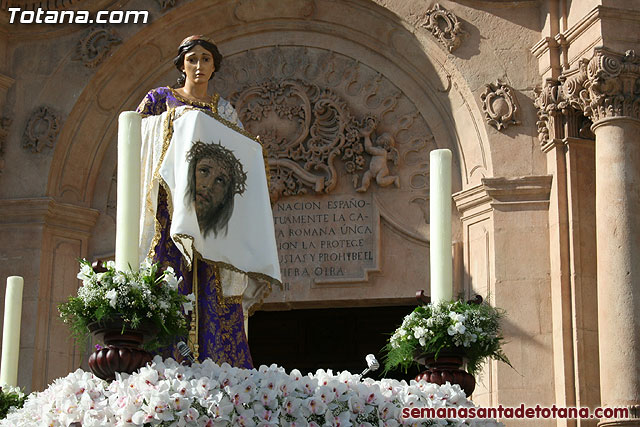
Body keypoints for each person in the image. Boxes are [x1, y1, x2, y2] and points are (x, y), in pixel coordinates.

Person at [136, 35, 254, 368]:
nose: (198, 66)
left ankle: (220, 367)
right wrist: (175, 121)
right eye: (192, 59)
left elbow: (239, 153)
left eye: (205, 59)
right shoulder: (161, 100)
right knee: (169, 280)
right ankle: (162, 366)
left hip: (210, 214)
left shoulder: (224, 109)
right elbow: (135, 135)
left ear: (214, 66)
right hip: (170, 210)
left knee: (214, 287)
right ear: (181, 64)